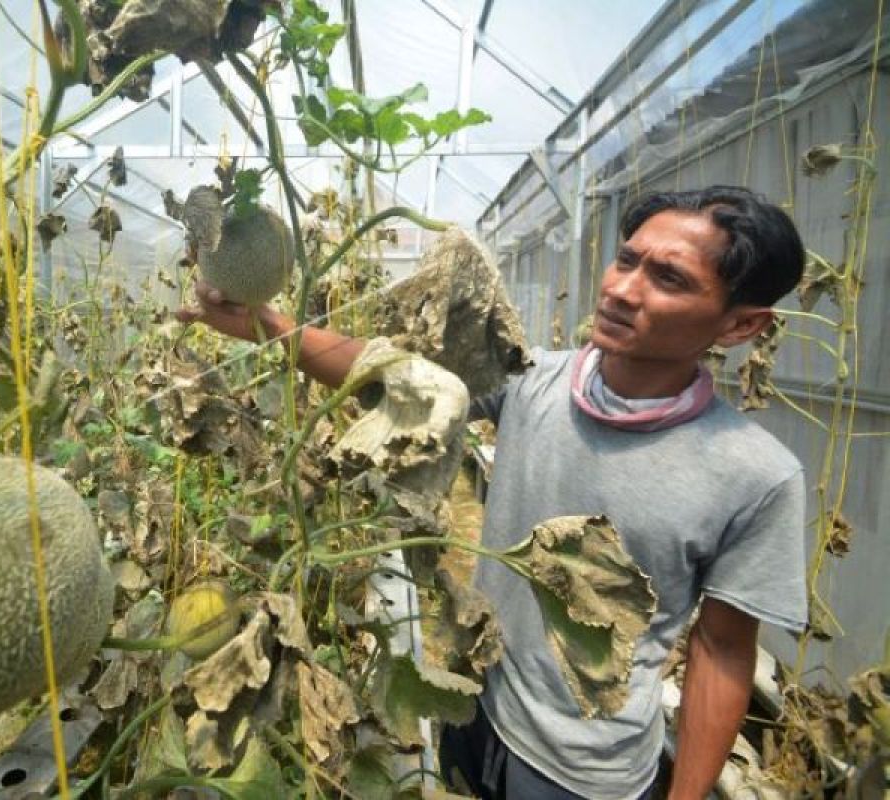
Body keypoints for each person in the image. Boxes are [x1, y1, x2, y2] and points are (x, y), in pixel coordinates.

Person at [176, 185, 808, 800]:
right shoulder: (535, 379)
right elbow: (396, 377)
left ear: (741, 324)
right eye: (626, 260)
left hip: (581, 772)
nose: (620, 289)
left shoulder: (756, 475)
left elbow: (723, 651)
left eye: (668, 279)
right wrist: (266, 326)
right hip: (475, 704)